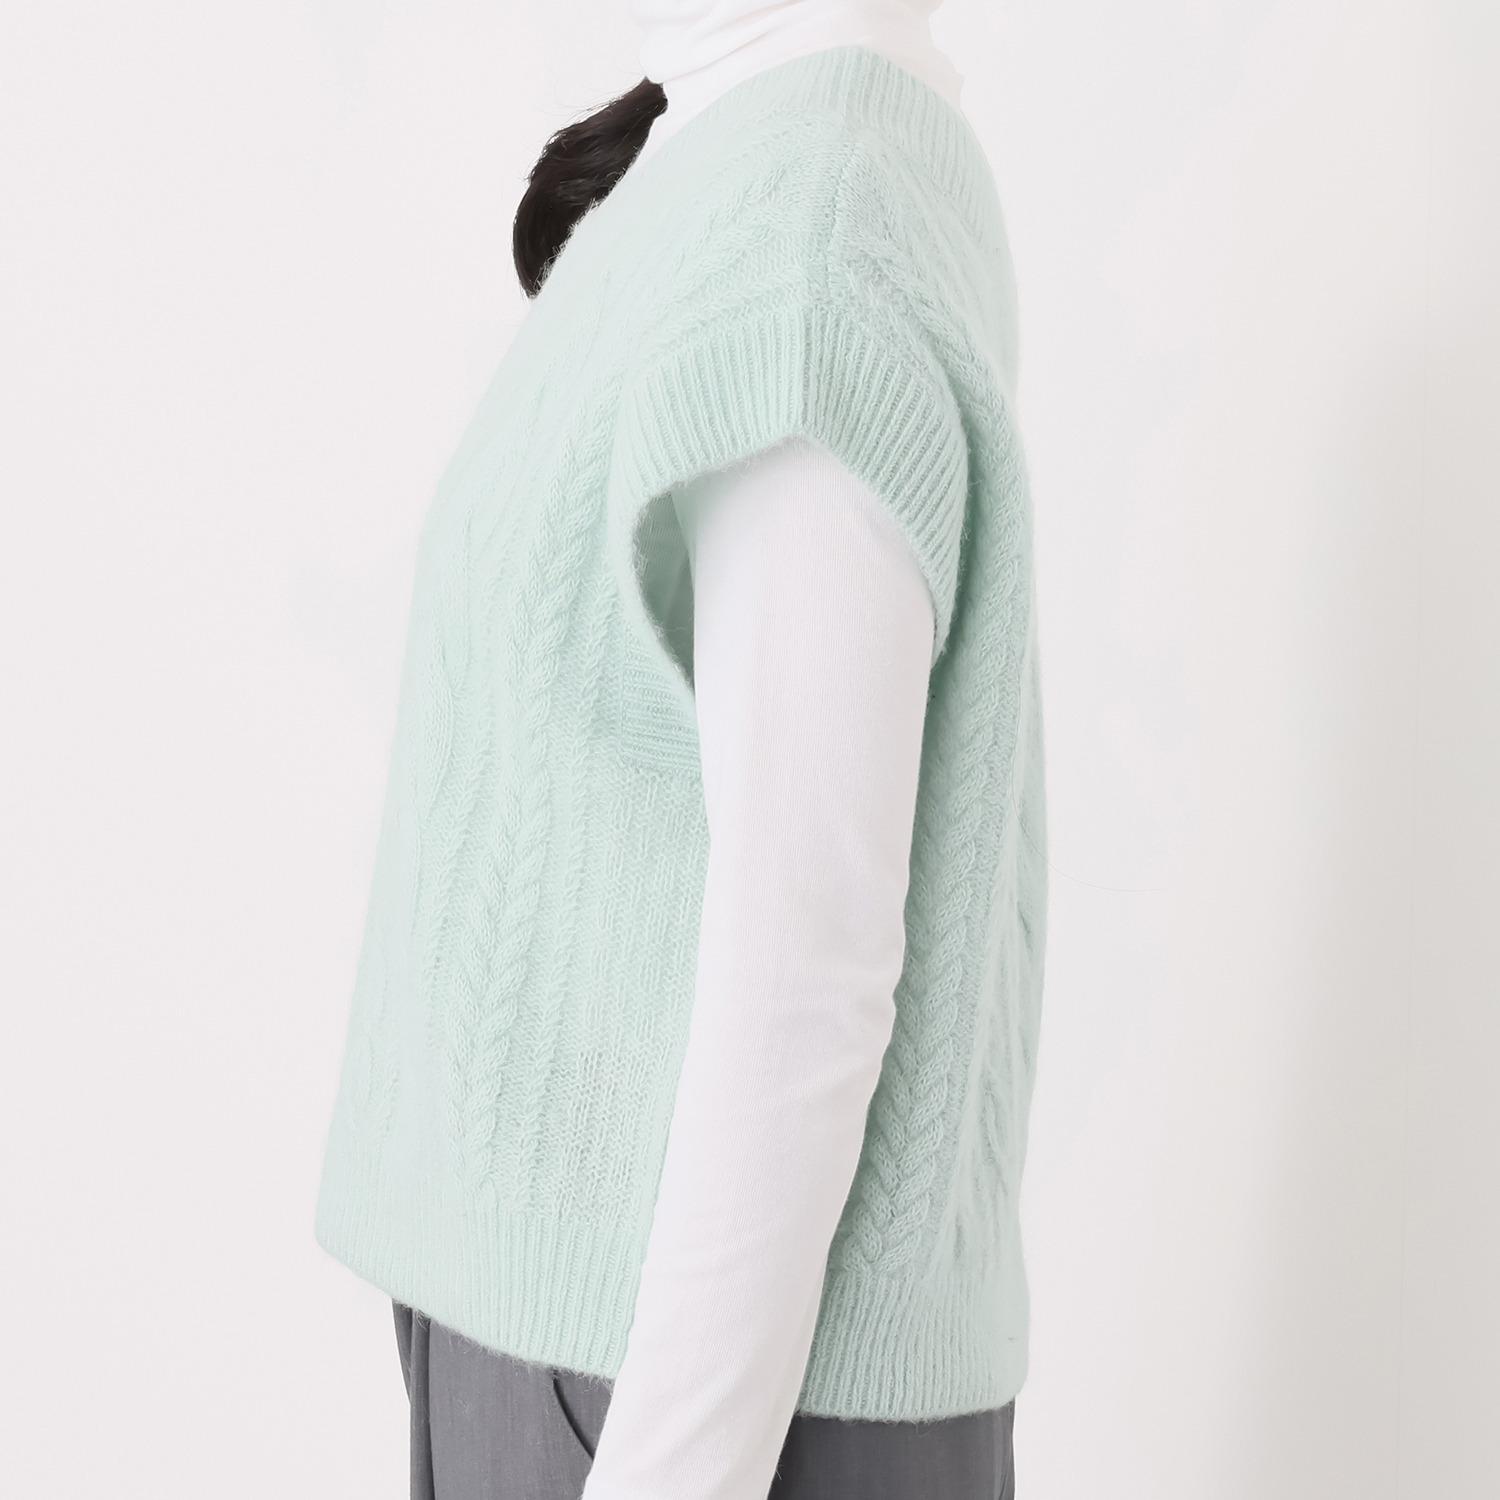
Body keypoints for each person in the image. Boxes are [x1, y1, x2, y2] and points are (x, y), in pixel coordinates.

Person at [313, 4, 1049, 1497]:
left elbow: (806, 955)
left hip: (660, 1386)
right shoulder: (747, 159)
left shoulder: (809, 235)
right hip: (607, 1353)